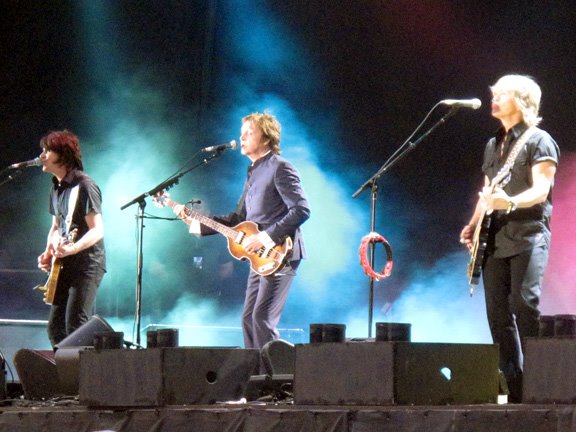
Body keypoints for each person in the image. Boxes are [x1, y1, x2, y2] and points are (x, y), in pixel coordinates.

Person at [460, 75, 559, 402]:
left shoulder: (539, 140)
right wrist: (474, 224)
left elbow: (541, 189)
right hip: (495, 238)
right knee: (497, 316)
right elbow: (488, 192)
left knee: (523, 304)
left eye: (503, 94)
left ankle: (543, 381)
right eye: (494, 93)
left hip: (528, 234)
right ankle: (516, 392)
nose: (495, 98)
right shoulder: (493, 145)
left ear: (524, 101)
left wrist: (511, 202)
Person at [175, 112, 310, 349]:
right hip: (259, 258)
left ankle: (277, 381)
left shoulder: (281, 167)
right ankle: (258, 377)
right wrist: (194, 222)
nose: (242, 137)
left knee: (262, 320)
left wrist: (265, 237)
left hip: (281, 253)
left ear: (266, 138)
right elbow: (237, 219)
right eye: (242, 133)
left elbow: (301, 209)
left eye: (249, 132)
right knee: (248, 319)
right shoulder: (253, 172)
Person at [37, 130, 106, 348]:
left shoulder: (84, 185)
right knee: (55, 328)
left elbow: (98, 230)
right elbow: (56, 227)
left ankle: (84, 379)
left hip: (87, 265)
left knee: (76, 325)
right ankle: (65, 378)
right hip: (64, 265)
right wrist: (49, 251)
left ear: (62, 155)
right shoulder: (56, 186)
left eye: (47, 150)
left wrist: (73, 248)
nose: (42, 155)